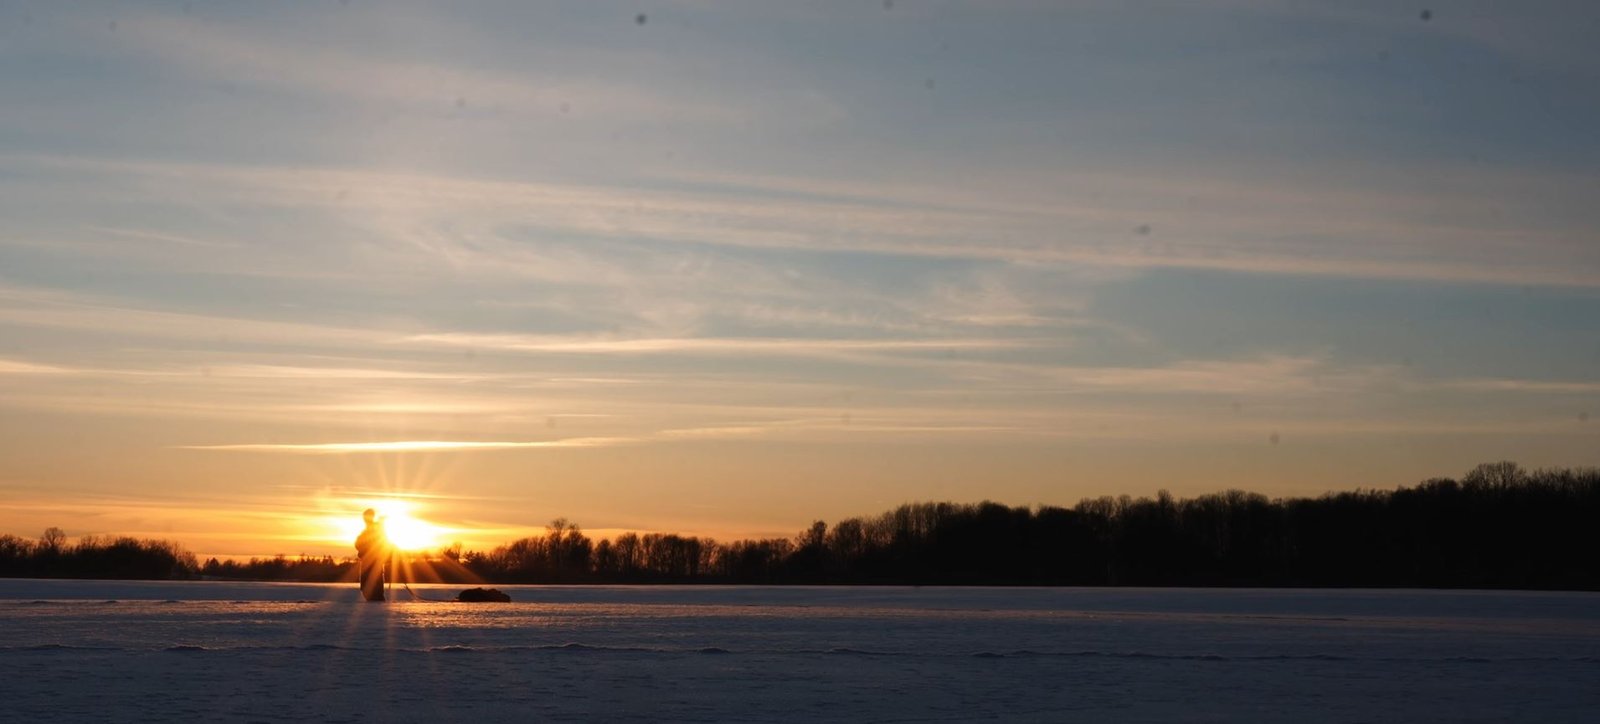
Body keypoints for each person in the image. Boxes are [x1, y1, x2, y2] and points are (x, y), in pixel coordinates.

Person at [354, 508, 388, 602]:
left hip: (374, 562)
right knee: (367, 588)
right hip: (368, 562)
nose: (365, 519)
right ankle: (376, 604)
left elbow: (383, 543)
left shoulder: (375, 529)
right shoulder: (367, 530)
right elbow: (358, 544)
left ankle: (377, 605)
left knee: (374, 589)